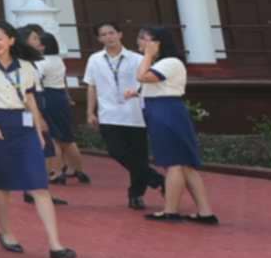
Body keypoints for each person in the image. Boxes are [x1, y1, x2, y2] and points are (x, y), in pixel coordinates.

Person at [0, 21, 76, 258]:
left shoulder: (27, 66)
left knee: (39, 184)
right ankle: (6, 233)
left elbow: (30, 100)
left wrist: (38, 132)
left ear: (11, 40)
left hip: (24, 126)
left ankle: (55, 244)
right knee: (3, 186)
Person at [137, 25, 219, 225]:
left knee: (173, 162)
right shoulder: (165, 63)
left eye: (146, 39)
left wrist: (147, 56)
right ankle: (205, 212)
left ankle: (170, 210)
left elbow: (142, 76)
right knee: (185, 165)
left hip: (166, 111)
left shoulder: (169, 62)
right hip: (165, 109)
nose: (141, 42)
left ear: (159, 43)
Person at [85, 21, 166, 209]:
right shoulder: (95, 59)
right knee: (116, 152)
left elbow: (148, 83)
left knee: (138, 158)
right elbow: (91, 85)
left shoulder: (137, 58)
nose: (108, 37)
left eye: (111, 33)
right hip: (108, 114)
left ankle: (136, 195)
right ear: (99, 38)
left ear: (120, 34)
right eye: (103, 34)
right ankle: (156, 179)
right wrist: (90, 111)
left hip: (135, 114)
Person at [22, 26, 88, 186]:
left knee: (53, 138)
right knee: (67, 137)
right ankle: (78, 169)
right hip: (60, 97)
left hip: (48, 97)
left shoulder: (42, 62)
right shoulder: (59, 60)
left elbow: (35, 83)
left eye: (38, 40)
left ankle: (56, 172)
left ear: (43, 46)